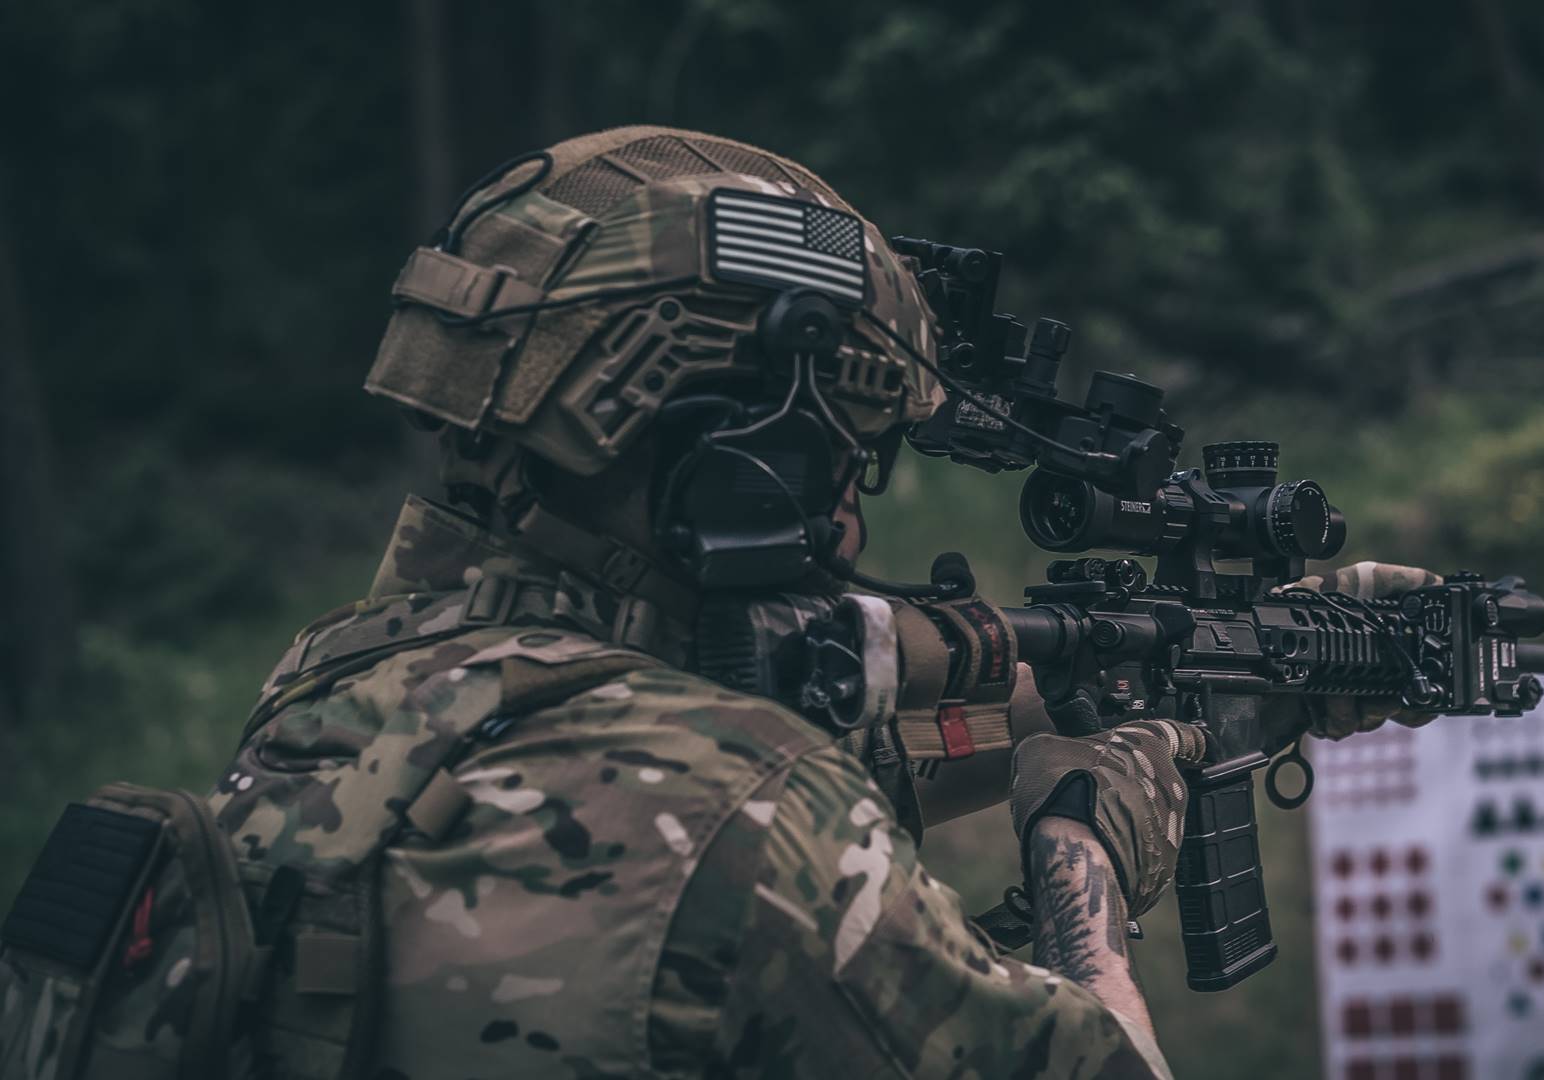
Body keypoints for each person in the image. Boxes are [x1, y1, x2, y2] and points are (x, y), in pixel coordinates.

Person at [6, 126, 1438, 1079]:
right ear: (741, 468)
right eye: (844, 466)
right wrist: (1084, 847)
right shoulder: (754, 827)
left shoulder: (332, 699)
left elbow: (718, 773)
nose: (850, 518)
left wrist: (1169, 689)